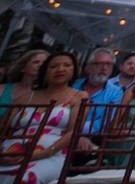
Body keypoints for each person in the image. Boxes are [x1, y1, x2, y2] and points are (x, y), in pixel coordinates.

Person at [0, 52, 87, 184]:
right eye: (53, 66)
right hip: (10, 153)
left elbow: (73, 131)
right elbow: (2, 128)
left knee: (25, 178)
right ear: (44, 72)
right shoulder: (25, 98)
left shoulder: (79, 96)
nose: (60, 69)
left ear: (73, 71)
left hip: (52, 154)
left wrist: (43, 153)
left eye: (67, 65)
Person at [72, 48, 124, 137]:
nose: (104, 68)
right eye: (99, 64)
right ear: (89, 66)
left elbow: (104, 121)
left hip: (92, 137)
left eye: (108, 64)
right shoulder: (74, 85)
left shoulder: (116, 92)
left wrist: (77, 133)